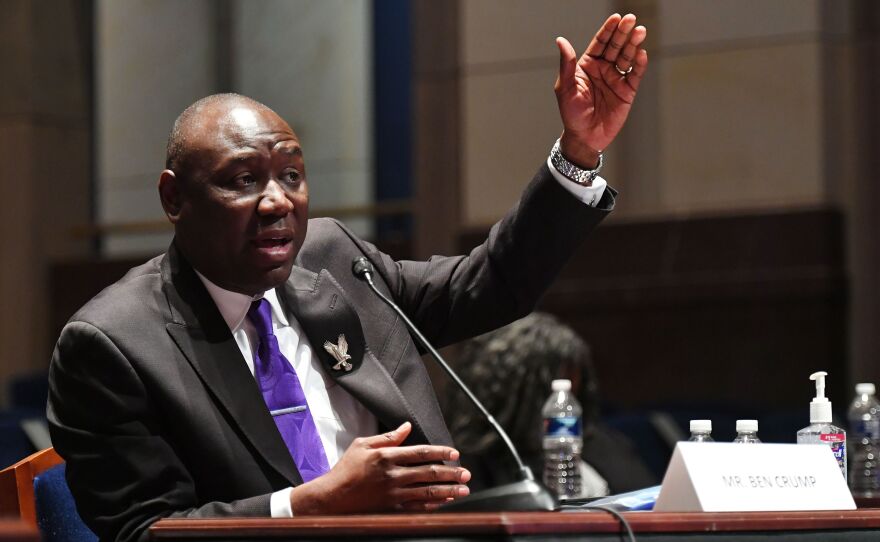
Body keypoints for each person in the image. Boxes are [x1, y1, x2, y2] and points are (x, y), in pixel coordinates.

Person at [47, 13, 648, 542]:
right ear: (174, 198)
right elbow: (142, 532)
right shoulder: (113, 344)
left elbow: (490, 284)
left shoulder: (334, 259)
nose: (277, 202)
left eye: (290, 175)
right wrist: (314, 504)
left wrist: (579, 152)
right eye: (242, 180)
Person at [445, 312, 657, 497]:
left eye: (576, 377)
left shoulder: (600, 443)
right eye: (558, 377)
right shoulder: (469, 462)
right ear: (516, 388)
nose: (570, 389)